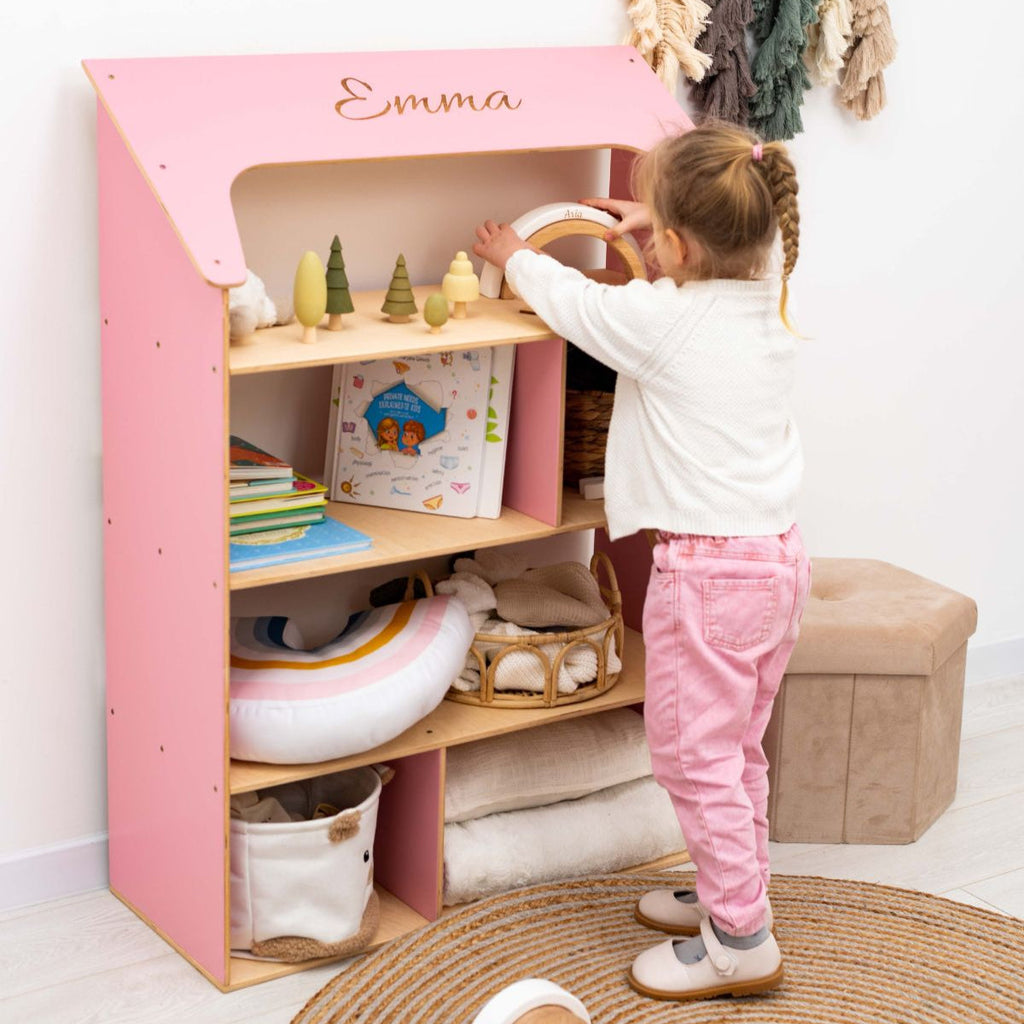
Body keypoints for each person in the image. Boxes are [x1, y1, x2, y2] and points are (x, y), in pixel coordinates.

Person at [473, 120, 812, 1003]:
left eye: (655, 226)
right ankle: (727, 895)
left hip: (707, 578)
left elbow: (574, 304)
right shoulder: (769, 289)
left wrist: (515, 254)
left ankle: (741, 938)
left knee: (692, 760)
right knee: (735, 749)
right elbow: (727, 247)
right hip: (776, 560)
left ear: (677, 245)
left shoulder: (658, 321)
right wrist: (654, 224)